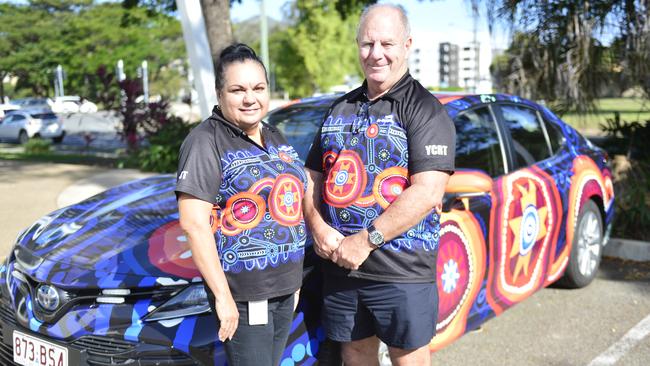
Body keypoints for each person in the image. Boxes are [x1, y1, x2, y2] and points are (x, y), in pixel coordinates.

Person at [303, 4, 456, 365]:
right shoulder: (339, 108)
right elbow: (311, 177)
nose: (376, 54)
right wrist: (318, 227)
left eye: (386, 43)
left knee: (408, 358)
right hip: (342, 268)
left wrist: (365, 240)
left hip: (401, 272)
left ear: (407, 45)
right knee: (355, 353)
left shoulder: (425, 110)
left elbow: (428, 191)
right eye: (367, 43)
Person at [176, 43, 307, 366]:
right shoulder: (205, 141)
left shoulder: (274, 135)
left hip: (284, 288)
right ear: (220, 93)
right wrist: (223, 298)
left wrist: (294, 285)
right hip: (246, 296)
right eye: (238, 89)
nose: (250, 98)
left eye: (258, 88)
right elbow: (193, 224)